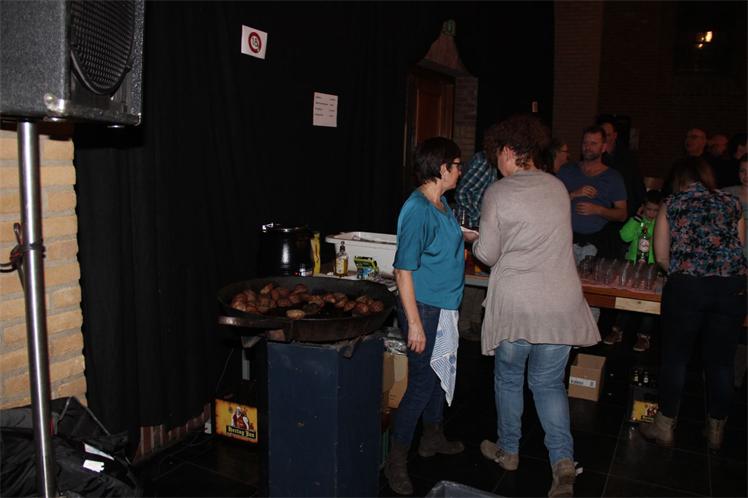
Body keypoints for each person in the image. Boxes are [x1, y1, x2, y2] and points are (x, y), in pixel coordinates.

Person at [472, 115, 600, 498]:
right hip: (560, 304)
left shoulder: (498, 192)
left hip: (517, 305)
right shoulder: (558, 187)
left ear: (509, 150)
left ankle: (509, 451)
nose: (496, 162)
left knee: (509, 379)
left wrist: (474, 239)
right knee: (548, 385)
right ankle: (562, 462)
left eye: (497, 154)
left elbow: (488, 254)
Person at [386, 137, 475, 495]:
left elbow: (441, 238)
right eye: (457, 165)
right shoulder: (418, 209)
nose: (460, 171)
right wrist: (415, 324)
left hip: (444, 306)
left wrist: (466, 236)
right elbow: (403, 271)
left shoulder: (441, 203)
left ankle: (432, 437)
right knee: (422, 383)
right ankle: (395, 460)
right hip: (422, 308)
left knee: (439, 373)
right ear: (442, 168)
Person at [639, 157, 746, 451]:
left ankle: (664, 426)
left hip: (688, 287)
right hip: (731, 288)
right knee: (722, 362)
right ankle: (716, 430)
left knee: (675, 358)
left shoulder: (673, 203)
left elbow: (662, 256)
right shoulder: (732, 202)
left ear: (679, 180)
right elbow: (738, 247)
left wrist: (682, 268)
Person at [454, 126, 502, 341]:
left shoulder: (495, 163)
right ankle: (464, 323)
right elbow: (462, 192)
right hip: (473, 227)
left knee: (482, 273)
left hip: (485, 227)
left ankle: (474, 320)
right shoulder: (483, 161)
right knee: (471, 275)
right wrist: (479, 218)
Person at [603, 189, 663, 352]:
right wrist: (636, 219)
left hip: (652, 268)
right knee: (626, 298)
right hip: (633, 266)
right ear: (642, 207)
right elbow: (625, 236)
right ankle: (617, 330)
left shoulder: (662, 225)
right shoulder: (637, 221)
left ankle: (644, 336)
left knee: (648, 303)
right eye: (648, 209)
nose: (651, 213)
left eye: (656, 210)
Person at [557, 125, 628, 260]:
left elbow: (622, 214)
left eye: (593, 143)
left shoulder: (613, 177)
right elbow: (550, 204)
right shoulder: (567, 171)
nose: (588, 147)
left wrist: (598, 210)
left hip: (598, 241)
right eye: (585, 143)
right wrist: (573, 194)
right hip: (566, 239)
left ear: (603, 147)